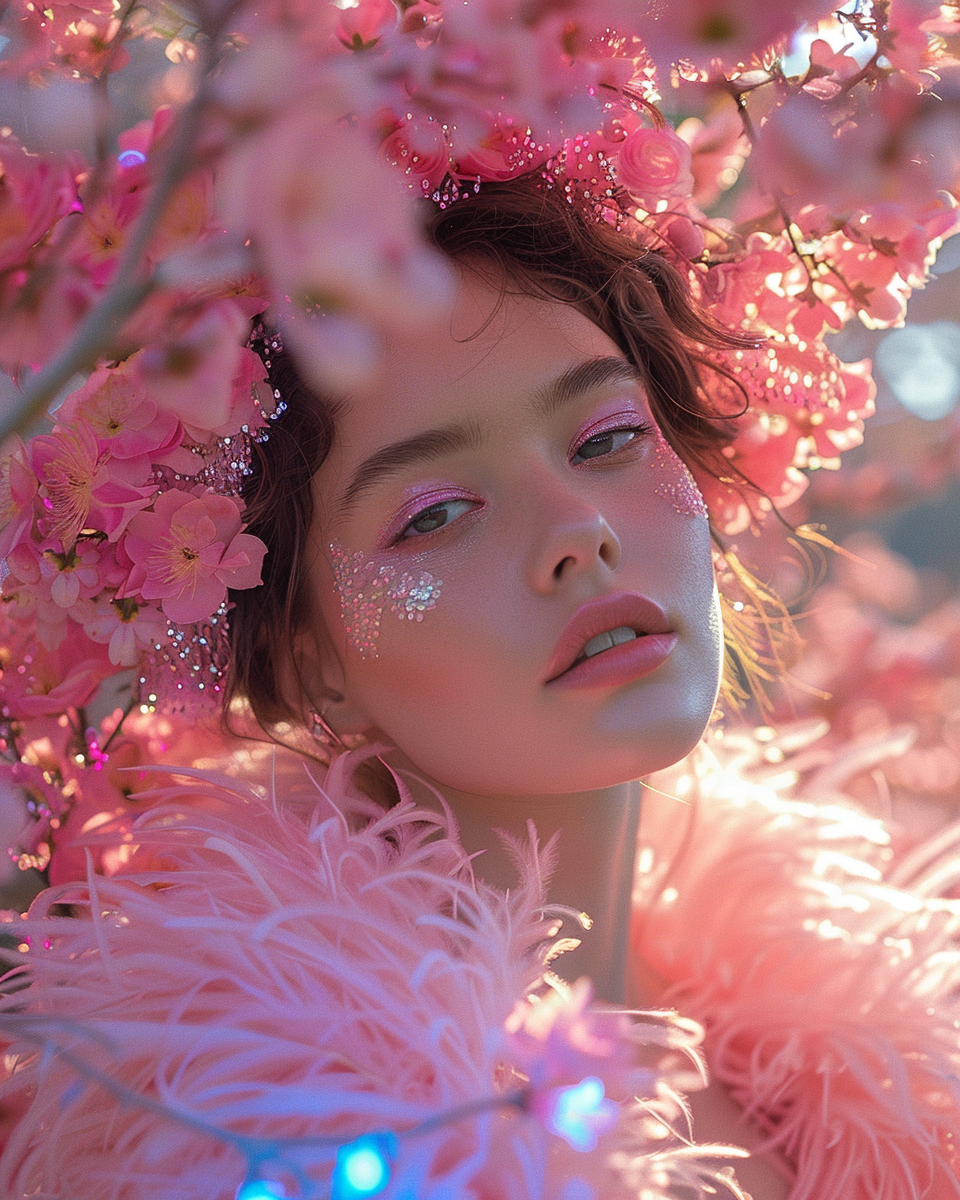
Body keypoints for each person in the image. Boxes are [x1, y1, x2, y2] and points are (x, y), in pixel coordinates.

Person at [2, 167, 959, 1200]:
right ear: (305, 659)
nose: (576, 533)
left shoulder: (890, 1071)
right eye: (437, 514)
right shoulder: (258, 1148)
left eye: (608, 439)